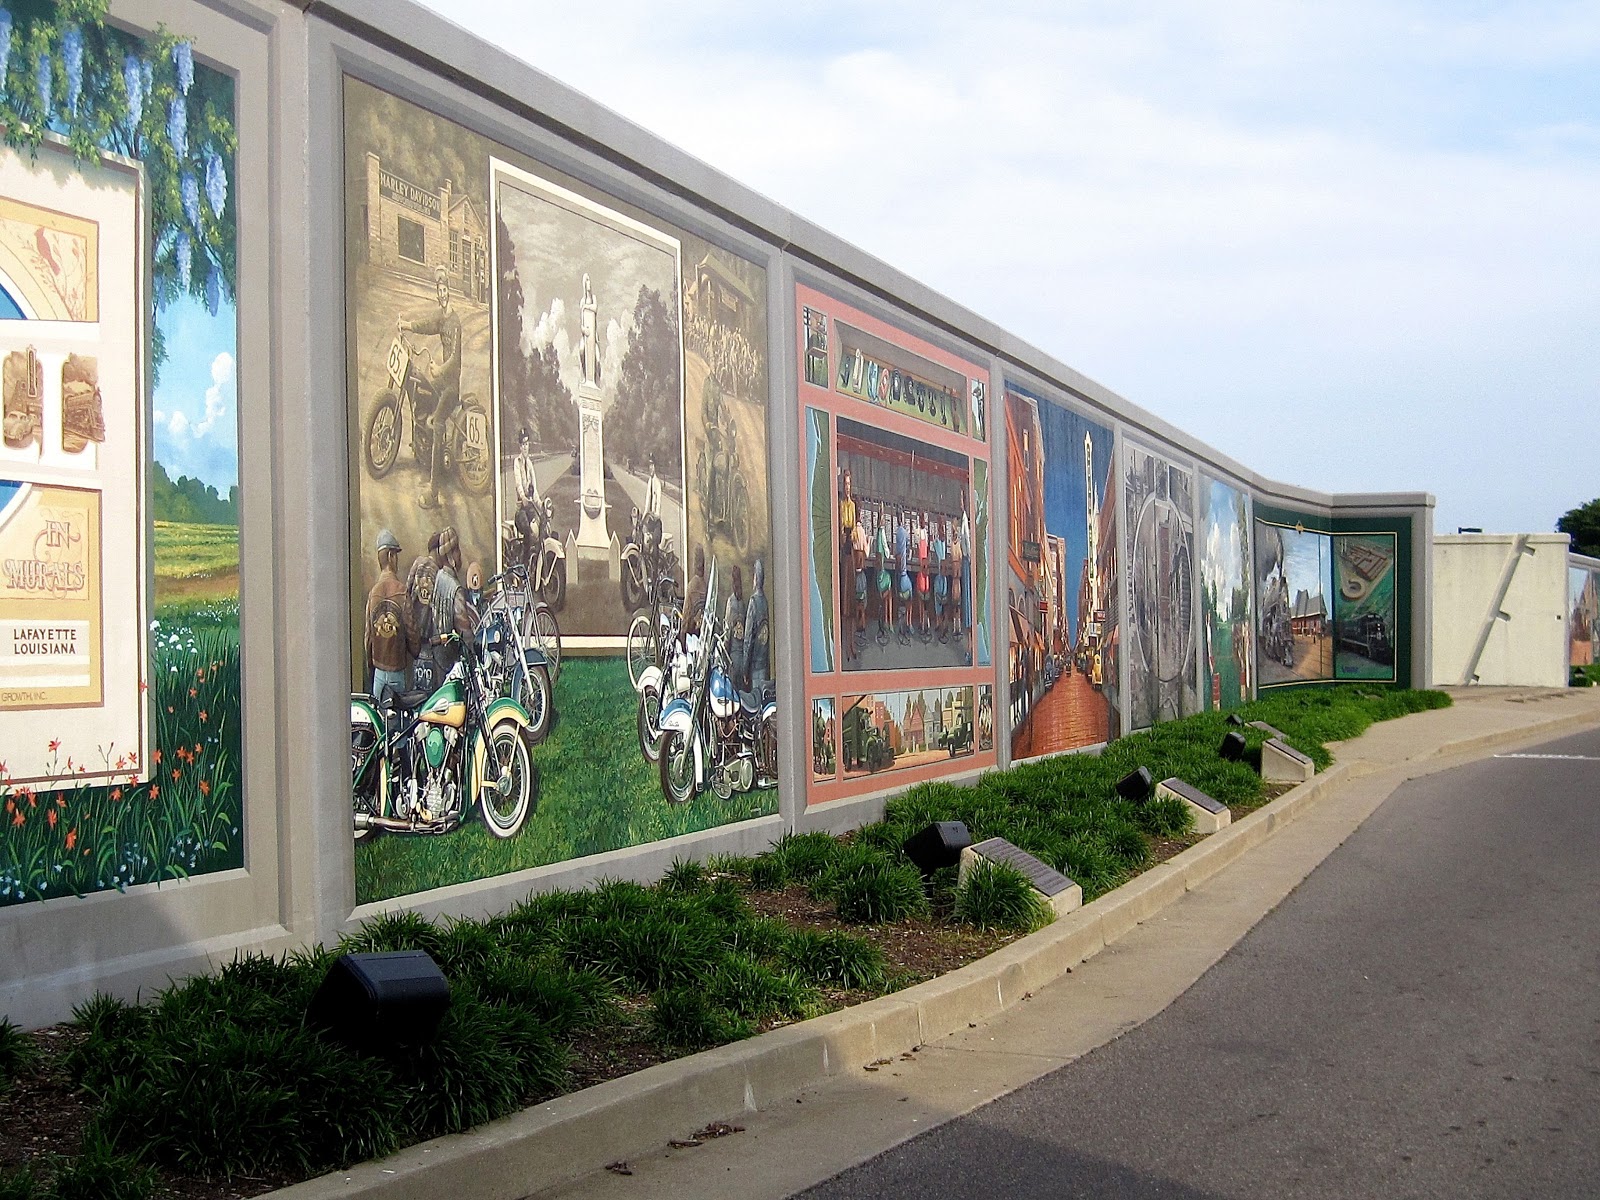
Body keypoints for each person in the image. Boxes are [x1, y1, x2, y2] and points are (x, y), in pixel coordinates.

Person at [399, 266, 462, 511]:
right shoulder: (441, 317)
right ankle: (422, 450)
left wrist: (440, 369)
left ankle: (434, 493)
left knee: (437, 425)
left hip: (452, 386)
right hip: (440, 380)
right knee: (422, 393)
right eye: (439, 291)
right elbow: (426, 324)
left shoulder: (455, 323)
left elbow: (455, 360)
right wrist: (406, 325)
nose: (442, 294)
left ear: (450, 292)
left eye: (445, 290)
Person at [363, 529, 415, 705]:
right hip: (398, 673)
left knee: (379, 727)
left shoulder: (373, 593)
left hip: (378, 673)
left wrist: (372, 666)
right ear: (391, 556)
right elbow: (412, 633)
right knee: (398, 727)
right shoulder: (401, 591)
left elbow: (368, 637)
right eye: (396, 555)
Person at [430, 526, 478, 679]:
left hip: (433, 658)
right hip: (448, 664)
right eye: (457, 550)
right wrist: (476, 656)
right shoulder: (455, 588)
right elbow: (465, 631)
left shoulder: (437, 577)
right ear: (450, 555)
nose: (460, 555)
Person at [513, 428, 543, 559]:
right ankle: (524, 562)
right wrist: (523, 497)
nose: (525, 447)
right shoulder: (517, 462)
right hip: (521, 509)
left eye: (527, 444)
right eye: (523, 444)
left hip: (530, 509)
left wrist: (542, 505)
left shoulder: (530, 464)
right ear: (520, 447)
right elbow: (519, 484)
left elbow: (534, 490)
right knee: (526, 528)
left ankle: (536, 560)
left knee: (541, 528)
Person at [744, 558, 771, 695]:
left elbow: (748, 638)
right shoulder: (765, 601)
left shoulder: (753, 602)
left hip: (754, 664)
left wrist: (745, 668)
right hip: (764, 662)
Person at [723, 565, 747, 689]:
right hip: (742, 656)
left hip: (732, 656)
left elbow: (728, 630)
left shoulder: (731, 602)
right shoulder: (743, 603)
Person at [683, 546, 708, 637]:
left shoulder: (692, 586)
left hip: (691, 632)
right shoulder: (705, 585)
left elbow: (686, 614)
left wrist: (683, 635)